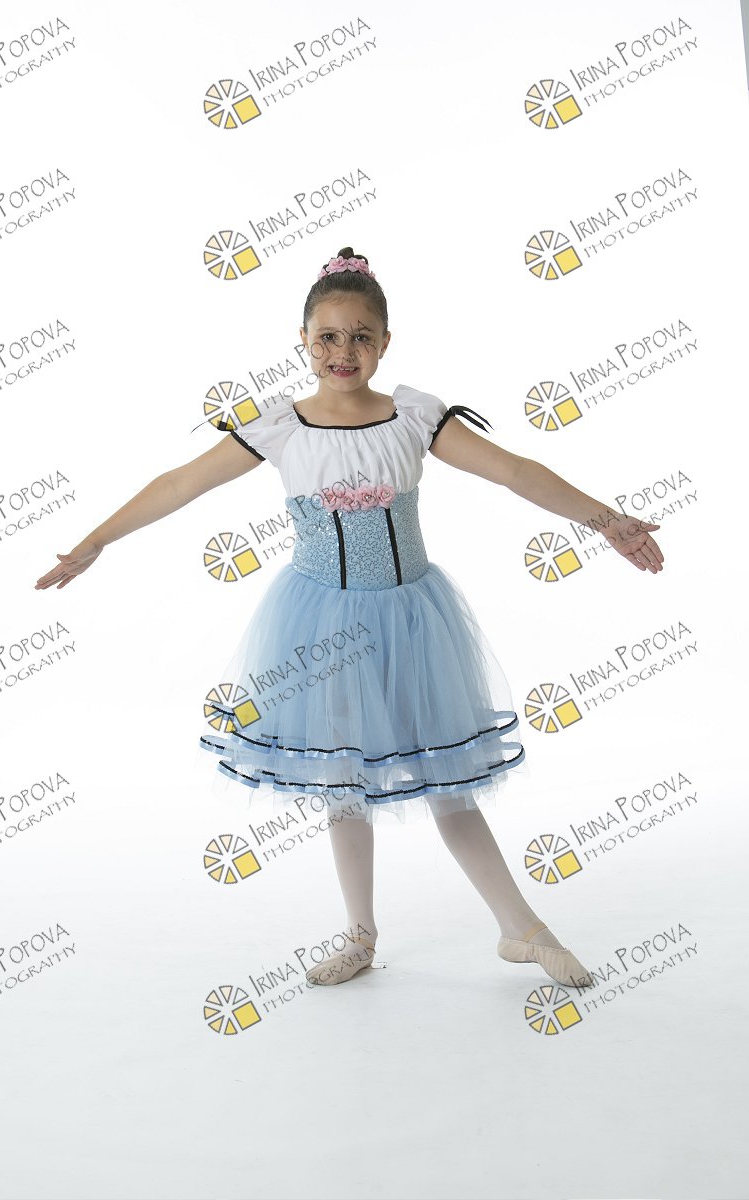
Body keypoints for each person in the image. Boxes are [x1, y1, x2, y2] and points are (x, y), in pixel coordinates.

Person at [34, 246, 663, 992]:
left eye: (361, 336)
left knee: (448, 778)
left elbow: (513, 470)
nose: (344, 351)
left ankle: (521, 929)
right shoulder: (281, 427)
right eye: (327, 337)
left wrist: (605, 520)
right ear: (301, 341)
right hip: (322, 625)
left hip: (413, 617)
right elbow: (179, 484)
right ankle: (360, 932)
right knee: (343, 778)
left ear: (385, 342)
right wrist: (95, 541)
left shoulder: (415, 417)